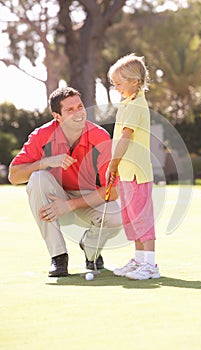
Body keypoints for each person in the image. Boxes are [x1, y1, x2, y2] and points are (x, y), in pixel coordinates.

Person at [8, 87, 122, 277]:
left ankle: (90, 247)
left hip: (87, 199)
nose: (78, 113)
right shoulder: (41, 135)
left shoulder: (100, 136)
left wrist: (68, 205)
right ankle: (58, 256)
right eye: (70, 110)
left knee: (117, 217)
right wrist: (44, 162)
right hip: (55, 197)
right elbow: (14, 176)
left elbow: (113, 191)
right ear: (57, 116)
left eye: (80, 106)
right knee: (37, 178)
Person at [106, 53, 160, 280]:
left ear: (135, 81)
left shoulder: (137, 105)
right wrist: (117, 168)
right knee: (131, 218)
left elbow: (125, 139)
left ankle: (150, 265)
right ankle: (139, 259)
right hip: (126, 174)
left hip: (137, 174)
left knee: (142, 218)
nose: (116, 87)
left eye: (119, 83)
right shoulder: (127, 104)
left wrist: (112, 164)